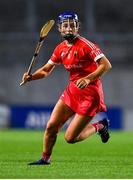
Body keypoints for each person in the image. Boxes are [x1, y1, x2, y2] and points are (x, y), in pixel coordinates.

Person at [22, 12, 112, 165]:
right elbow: (45, 70)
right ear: (60, 29)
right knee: (51, 126)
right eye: (65, 25)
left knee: (70, 138)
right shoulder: (60, 49)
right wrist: (31, 77)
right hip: (72, 92)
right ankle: (45, 159)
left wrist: (88, 78)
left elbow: (106, 65)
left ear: (77, 27)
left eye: (72, 25)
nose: (69, 28)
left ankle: (100, 126)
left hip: (90, 95)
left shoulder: (86, 45)